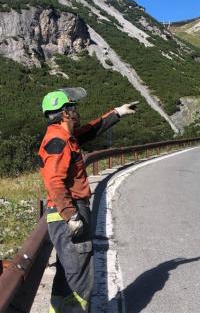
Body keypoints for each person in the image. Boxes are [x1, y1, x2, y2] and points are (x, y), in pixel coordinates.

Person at [37, 87, 138, 312]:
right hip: (69, 214)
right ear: (64, 112)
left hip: (68, 212)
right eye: (73, 107)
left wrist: (117, 113)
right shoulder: (58, 140)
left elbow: (91, 130)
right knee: (78, 281)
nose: (76, 111)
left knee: (69, 277)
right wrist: (71, 215)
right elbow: (54, 181)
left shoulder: (65, 136)